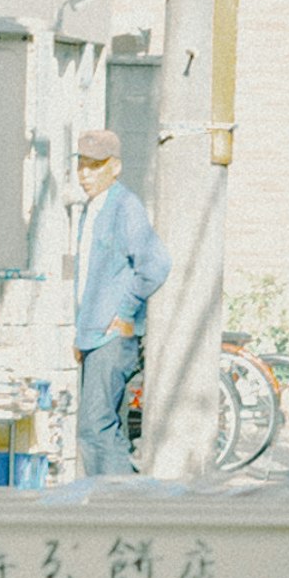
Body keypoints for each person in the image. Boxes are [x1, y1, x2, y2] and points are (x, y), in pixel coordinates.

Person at [71, 126, 166, 479]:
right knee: (106, 426)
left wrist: (124, 312)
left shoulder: (125, 206)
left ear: (115, 167)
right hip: (93, 335)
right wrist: (80, 334)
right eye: (81, 164)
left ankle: (116, 505)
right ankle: (121, 503)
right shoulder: (91, 209)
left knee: (95, 426)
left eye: (95, 166)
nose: (85, 174)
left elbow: (155, 265)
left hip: (113, 336)